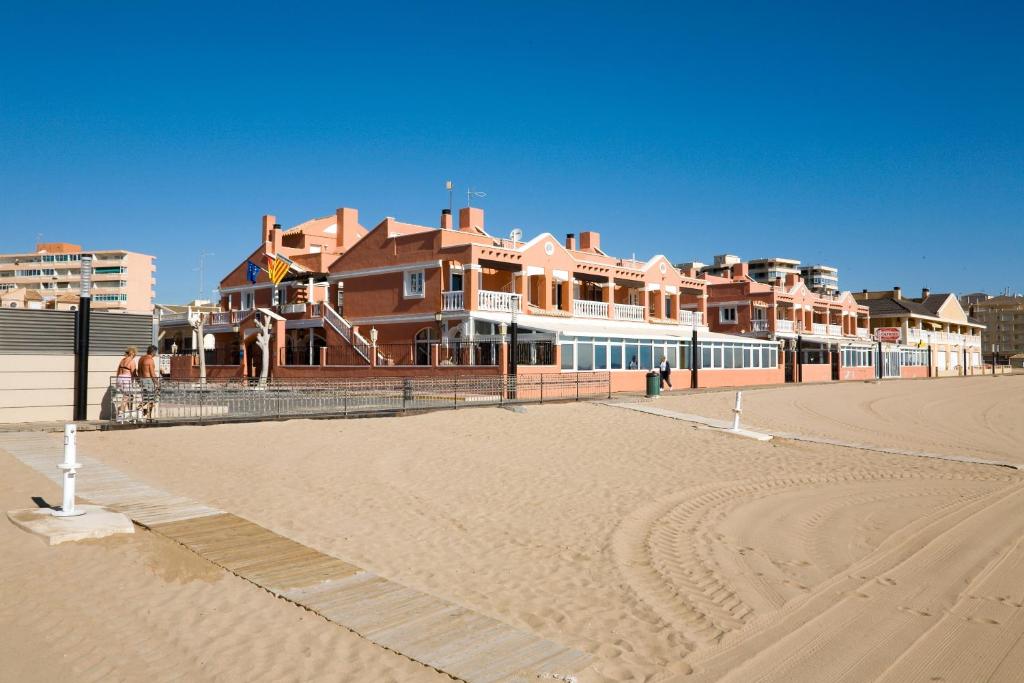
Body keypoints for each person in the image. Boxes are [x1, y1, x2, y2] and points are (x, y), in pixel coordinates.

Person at [137, 345, 160, 420]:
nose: (155, 354)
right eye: (155, 352)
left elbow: (138, 371)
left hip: (142, 380)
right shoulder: (150, 360)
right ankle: (148, 416)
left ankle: (138, 409)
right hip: (148, 380)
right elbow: (152, 374)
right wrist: (157, 383)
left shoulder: (141, 358)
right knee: (151, 399)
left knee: (145, 399)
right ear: (153, 352)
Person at [116, 347, 138, 419]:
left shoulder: (122, 360)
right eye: (135, 353)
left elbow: (118, 371)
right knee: (126, 396)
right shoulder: (131, 361)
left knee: (130, 396)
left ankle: (129, 412)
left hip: (120, 378)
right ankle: (120, 413)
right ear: (132, 353)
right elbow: (133, 373)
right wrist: (138, 380)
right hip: (126, 378)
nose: (135, 355)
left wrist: (117, 380)